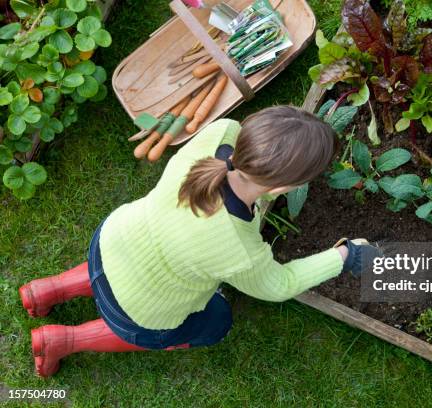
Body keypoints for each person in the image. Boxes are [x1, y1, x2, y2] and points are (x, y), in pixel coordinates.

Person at [19, 105, 379, 377]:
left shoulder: (220, 133)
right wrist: (344, 256)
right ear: (283, 189)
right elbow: (280, 284)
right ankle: (64, 341)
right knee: (216, 321)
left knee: (124, 267)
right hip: (136, 311)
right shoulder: (238, 249)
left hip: (112, 241)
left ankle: (47, 290)